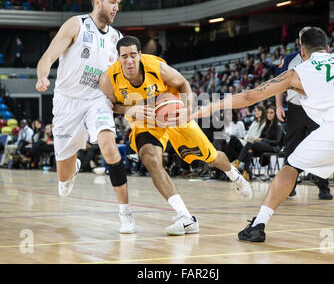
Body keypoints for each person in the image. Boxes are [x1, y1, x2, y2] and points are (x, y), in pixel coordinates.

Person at [195, 27, 334, 242]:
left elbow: (250, 96)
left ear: (302, 51)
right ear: (328, 47)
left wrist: (208, 108)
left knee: (291, 167)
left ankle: (258, 225)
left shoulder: (298, 71)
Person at [99, 35, 252, 236]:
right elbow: (112, 106)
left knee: (212, 157)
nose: (129, 61)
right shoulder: (109, 79)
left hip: (173, 115)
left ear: (140, 55)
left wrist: (187, 109)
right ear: (117, 58)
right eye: (124, 56)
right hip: (146, 123)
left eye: (133, 55)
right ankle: (186, 218)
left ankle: (234, 175)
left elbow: (183, 83)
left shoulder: (156, 67)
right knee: (150, 159)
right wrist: (128, 109)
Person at [35, 0, 136, 234]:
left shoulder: (117, 39)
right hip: (67, 101)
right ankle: (71, 169)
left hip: (97, 100)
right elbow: (47, 57)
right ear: (97, 2)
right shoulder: (76, 25)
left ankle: (125, 214)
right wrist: (42, 77)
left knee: (110, 146)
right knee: (63, 180)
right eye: (112, 2)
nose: (116, 8)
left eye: (118, 4)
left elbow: (125, 77)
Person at [275, 27, 333, 200]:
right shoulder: (290, 59)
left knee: (320, 148)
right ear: (299, 41)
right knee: (291, 148)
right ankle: (289, 186)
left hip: (317, 109)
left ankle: (324, 187)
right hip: (295, 109)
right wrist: (278, 106)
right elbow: (278, 84)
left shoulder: (326, 58)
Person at [233, 106, 283, 180]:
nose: (269, 114)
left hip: (273, 147)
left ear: (275, 114)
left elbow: (277, 142)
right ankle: (246, 172)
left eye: (271, 113)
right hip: (264, 146)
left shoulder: (278, 126)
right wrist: (261, 140)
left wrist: (262, 140)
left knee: (251, 143)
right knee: (250, 150)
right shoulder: (267, 125)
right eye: (268, 112)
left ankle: (238, 161)